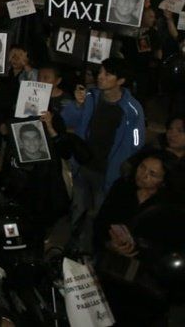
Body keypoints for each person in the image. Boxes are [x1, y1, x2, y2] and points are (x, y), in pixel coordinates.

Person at [62, 58, 145, 253]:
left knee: (97, 216)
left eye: (107, 74)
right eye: (100, 72)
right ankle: (72, 249)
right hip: (83, 165)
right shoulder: (90, 96)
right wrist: (77, 104)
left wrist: (122, 166)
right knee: (77, 209)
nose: (100, 77)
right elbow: (67, 118)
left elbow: (136, 143)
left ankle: (90, 252)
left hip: (108, 172)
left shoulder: (132, 109)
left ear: (121, 80)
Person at [93, 149, 178, 326]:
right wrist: (109, 244)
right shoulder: (122, 187)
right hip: (111, 271)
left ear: (163, 181)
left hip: (143, 283)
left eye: (152, 174)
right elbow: (101, 222)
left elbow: (169, 246)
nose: (143, 175)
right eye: (142, 167)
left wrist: (138, 247)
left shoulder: (170, 207)